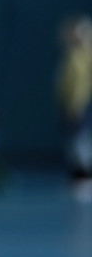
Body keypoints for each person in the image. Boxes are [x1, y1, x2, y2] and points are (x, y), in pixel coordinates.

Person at [56, 14, 92, 199]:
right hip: (70, 103)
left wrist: (75, 105)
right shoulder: (73, 54)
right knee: (74, 140)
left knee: (80, 141)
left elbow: (81, 85)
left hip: (78, 104)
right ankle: (79, 175)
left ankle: (84, 176)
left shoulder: (83, 55)